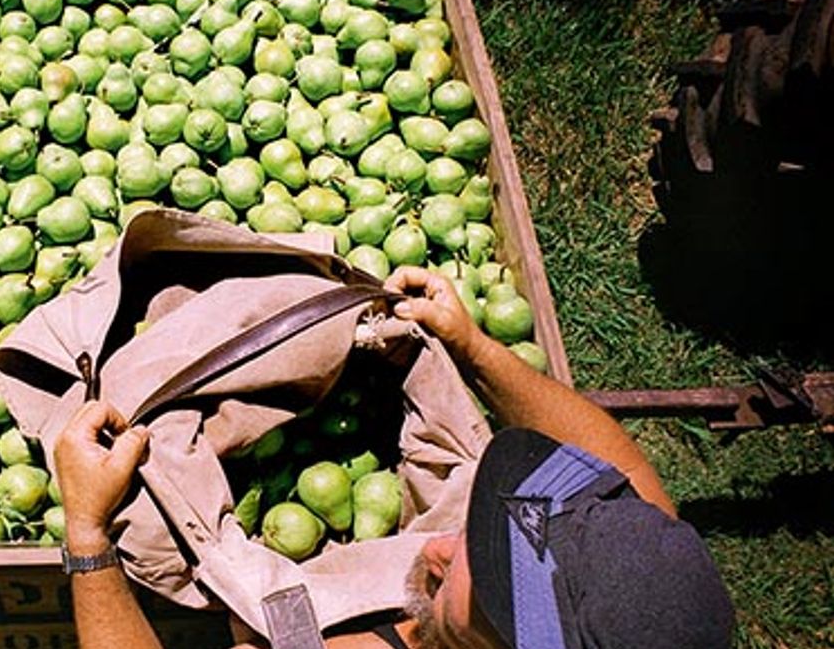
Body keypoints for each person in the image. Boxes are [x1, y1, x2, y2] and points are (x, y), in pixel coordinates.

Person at [53, 267, 736, 649]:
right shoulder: (647, 598)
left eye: (469, 582)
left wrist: (87, 536)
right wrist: (473, 348)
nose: (437, 546)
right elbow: (617, 465)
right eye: (475, 540)